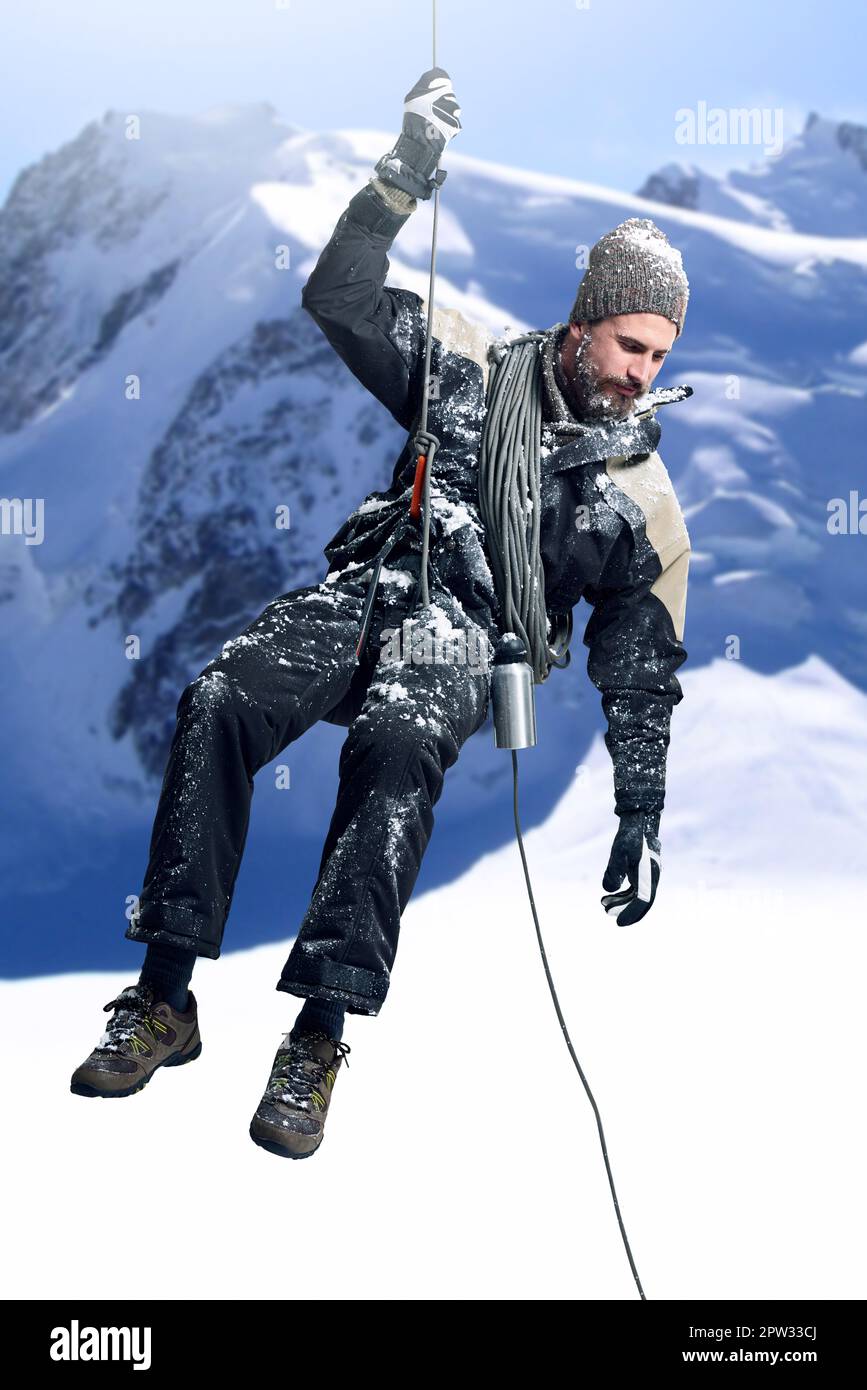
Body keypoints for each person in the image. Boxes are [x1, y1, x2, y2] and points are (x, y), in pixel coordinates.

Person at [70, 69, 693, 1162]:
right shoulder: (467, 366)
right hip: (370, 582)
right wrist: (405, 171)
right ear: (587, 322)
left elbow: (638, 658)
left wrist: (639, 803)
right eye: (631, 346)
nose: (642, 375)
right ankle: (165, 995)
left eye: (660, 358)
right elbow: (342, 296)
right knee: (219, 698)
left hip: (469, 632)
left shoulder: (637, 494)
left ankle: (315, 1035)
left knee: (399, 744)